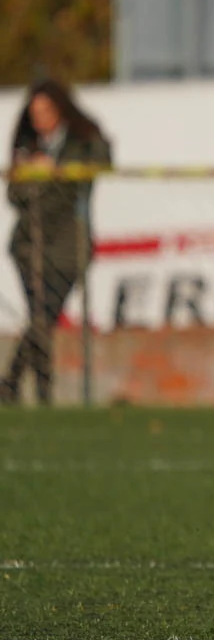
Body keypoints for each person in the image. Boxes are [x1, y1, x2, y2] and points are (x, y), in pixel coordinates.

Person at [1, 80, 112, 405]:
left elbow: (95, 168)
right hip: (28, 246)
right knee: (41, 320)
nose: (40, 120)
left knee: (42, 317)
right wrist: (32, 174)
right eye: (35, 113)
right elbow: (14, 195)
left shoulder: (83, 141)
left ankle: (12, 383)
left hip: (67, 249)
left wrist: (54, 172)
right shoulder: (27, 146)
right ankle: (39, 394)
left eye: (46, 111)